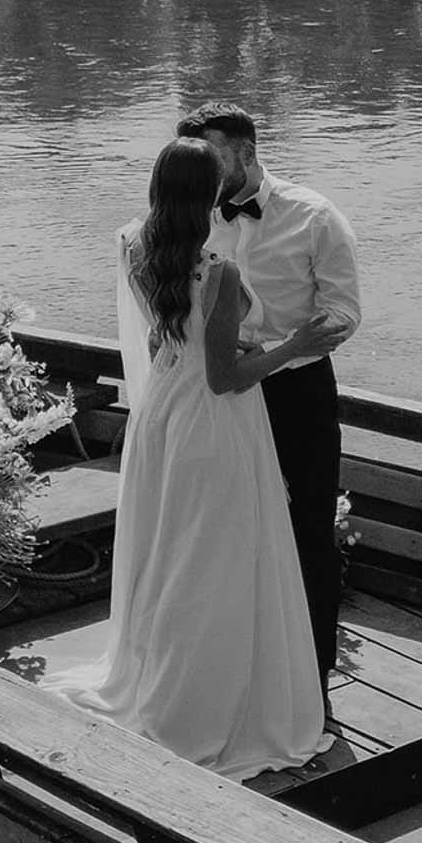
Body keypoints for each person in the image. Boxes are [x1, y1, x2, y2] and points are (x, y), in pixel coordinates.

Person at [47, 137, 346, 781]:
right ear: (208, 194)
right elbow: (227, 377)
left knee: (170, 555)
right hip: (216, 429)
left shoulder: (133, 246)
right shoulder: (217, 273)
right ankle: (204, 702)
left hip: (159, 418)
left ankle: (160, 674)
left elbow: (170, 342)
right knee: (217, 563)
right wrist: (297, 341)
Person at [174, 101, 362, 710]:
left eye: (216, 157)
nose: (204, 169)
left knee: (307, 524)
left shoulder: (315, 217)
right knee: (226, 526)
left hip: (297, 388)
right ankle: (243, 664)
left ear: (250, 152)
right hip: (216, 395)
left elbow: (342, 314)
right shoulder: (186, 215)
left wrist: (274, 348)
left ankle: (313, 671)